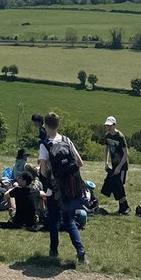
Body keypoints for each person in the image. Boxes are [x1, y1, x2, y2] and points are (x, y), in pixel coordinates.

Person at [39, 111, 87, 265]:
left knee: (53, 220)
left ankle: (53, 251)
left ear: (45, 126)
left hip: (55, 189)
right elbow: (79, 162)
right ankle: (80, 252)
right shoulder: (67, 140)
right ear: (58, 125)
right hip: (70, 188)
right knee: (69, 220)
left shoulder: (45, 144)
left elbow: (43, 171)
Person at [101, 116, 130, 216]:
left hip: (122, 165)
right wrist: (106, 163)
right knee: (115, 185)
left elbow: (126, 153)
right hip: (114, 165)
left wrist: (119, 167)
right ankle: (122, 207)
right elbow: (106, 150)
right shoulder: (107, 136)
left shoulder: (120, 137)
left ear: (114, 125)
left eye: (110, 125)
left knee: (119, 185)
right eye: (107, 126)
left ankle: (125, 206)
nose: (108, 128)